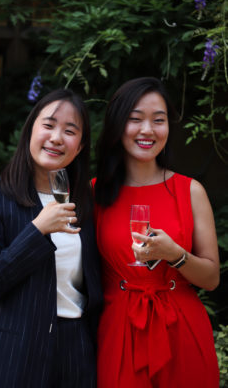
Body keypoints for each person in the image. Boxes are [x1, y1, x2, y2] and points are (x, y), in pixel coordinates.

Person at [0, 88, 103, 388]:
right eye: (49, 125)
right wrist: (37, 230)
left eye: (70, 131)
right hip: (13, 352)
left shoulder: (85, 205)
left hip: (73, 351)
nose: (56, 138)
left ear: (79, 147)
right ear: (30, 130)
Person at [93, 77, 220, 388]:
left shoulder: (190, 191)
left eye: (158, 120)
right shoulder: (94, 193)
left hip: (182, 326)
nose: (147, 130)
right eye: (135, 119)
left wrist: (174, 255)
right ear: (118, 125)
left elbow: (211, 278)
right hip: (120, 328)